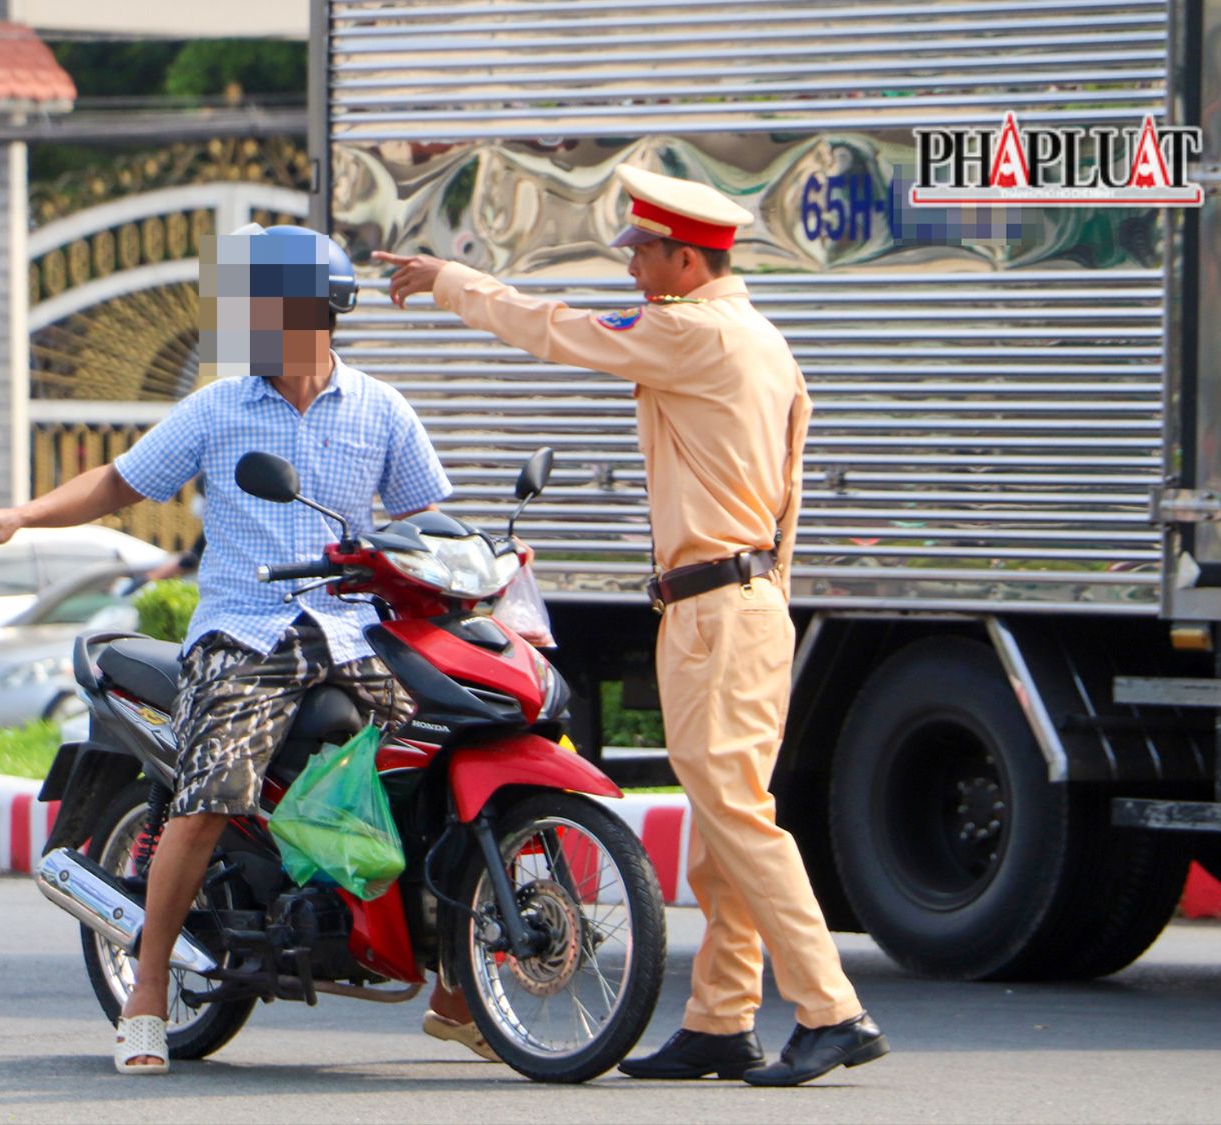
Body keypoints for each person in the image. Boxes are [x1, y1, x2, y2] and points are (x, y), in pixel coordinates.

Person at [0, 226, 493, 1075]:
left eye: (258, 307)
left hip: (352, 634)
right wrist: (19, 515)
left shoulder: (382, 408)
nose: (245, 322)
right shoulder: (219, 407)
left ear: (314, 311)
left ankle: (455, 986)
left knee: (443, 768)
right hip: (246, 632)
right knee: (209, 796)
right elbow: (121, 481)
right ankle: (148, 990)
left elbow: (424, 524)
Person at [376, 164, 890, 1088]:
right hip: (753, 599)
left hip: (715, 610)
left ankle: (831, 1007)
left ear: (687, 260)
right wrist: (762, 590)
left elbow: (555, 331)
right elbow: (791, 485)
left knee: (735, 813)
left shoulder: (692, 331)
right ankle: (722, 1021)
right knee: (728, 816)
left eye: (644, 253)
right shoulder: (764, 338)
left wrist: (451, 282)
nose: (632, 270)